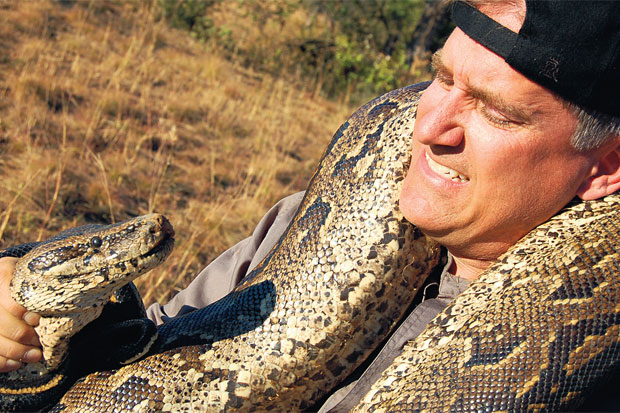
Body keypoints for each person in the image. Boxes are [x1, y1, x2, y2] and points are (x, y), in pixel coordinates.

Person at [1, 0, 620, 410]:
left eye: (498, 113)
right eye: (441, 78)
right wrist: (31, 343)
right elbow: (151, 353)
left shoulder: (588, 363)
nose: (430, 127)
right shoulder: (296, 222)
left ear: (605, 167)